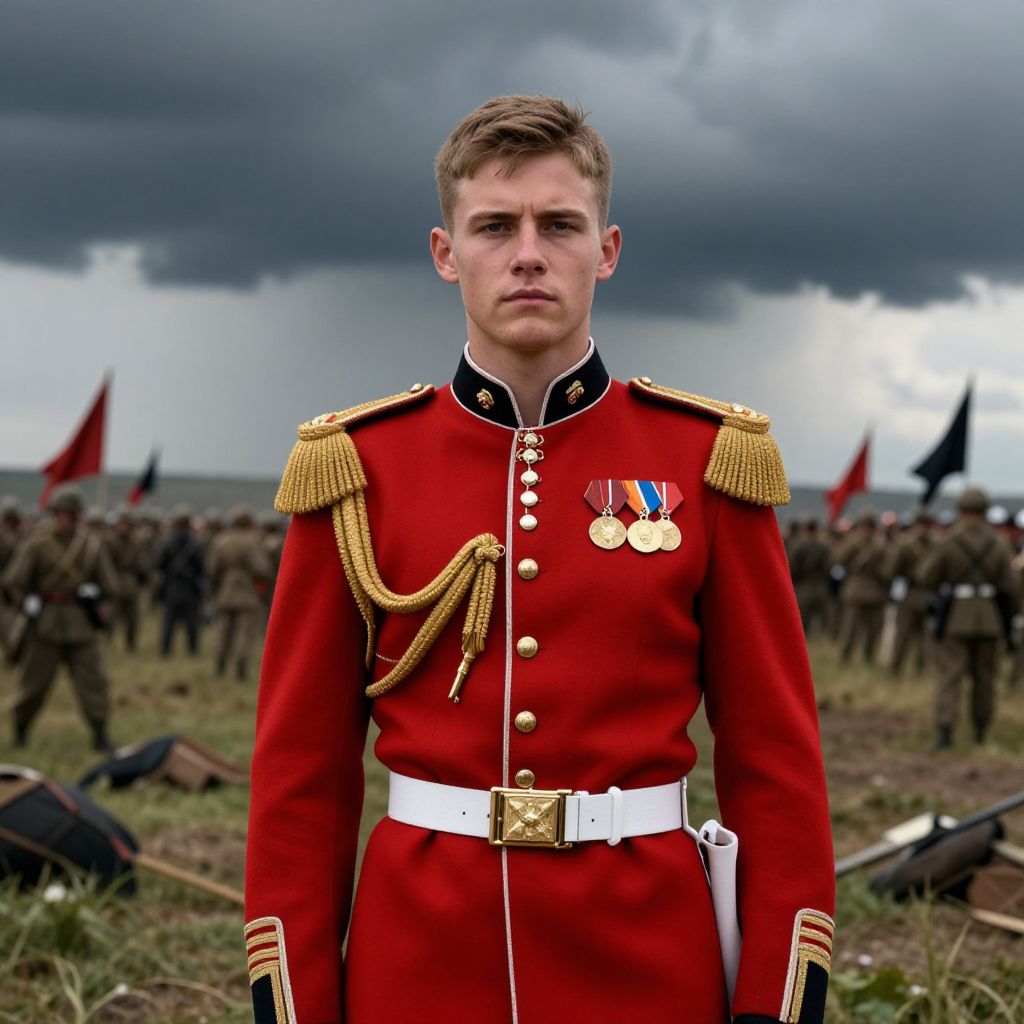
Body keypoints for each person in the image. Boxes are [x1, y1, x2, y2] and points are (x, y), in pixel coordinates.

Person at [245, 96, 835, 1024]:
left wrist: (774, 1001)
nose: (528, 252)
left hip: (649, 962)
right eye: (495, 226)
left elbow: (777, 767)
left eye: (560, 224)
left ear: (606, 249)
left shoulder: (706, 460)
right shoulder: (356, 470)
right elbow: (301, 780)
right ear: (447, 253)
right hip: (420, 963)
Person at [1, 484, 119, 751]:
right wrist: (27, 605)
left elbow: (110, 586)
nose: (69, 518)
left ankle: (100, 734)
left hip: (81, 624)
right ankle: (20, 730)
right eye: (65, 513)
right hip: (46, 623)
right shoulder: (37, 545)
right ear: (55, 513)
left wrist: (99, 604)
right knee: (34, 683)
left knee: (94, 683)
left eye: (74, 513)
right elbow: (15, 580)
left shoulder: (91, 546)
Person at [918, 487, 1021, 750]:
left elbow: (926, 576)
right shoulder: (998, 544)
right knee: (985, 677)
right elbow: (1010, 586)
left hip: (956, 617)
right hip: (989, 618)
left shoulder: (949, 542)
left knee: (950, 675)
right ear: (985, 511)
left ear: (961, 510)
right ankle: (980, 730)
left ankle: (945, 732)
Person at [206, 504, 271, 681]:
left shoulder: (220, 540)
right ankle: (241, 669)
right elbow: (261, 569)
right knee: (244, 633)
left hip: (225, 591)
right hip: (246, 592)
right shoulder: (253, 542)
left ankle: (220, 666)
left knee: (223, 632)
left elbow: (212, 570)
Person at [834, 508, 889, 665]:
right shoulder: (880, 545)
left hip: (856, 591)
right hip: (874, 592)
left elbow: (838, 559)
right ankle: (864, 658)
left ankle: (847, 658)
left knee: (854, 629)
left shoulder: (854, 542)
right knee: (865, 630)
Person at [153, 505, 205, 656]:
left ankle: (165, 651)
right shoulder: (196, 544)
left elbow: (158, 565)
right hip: (190, 588)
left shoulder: (167, 543)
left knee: (168, 622)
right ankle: (192, 651)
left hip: (172, 588)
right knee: (191, 623)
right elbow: (201, 567)